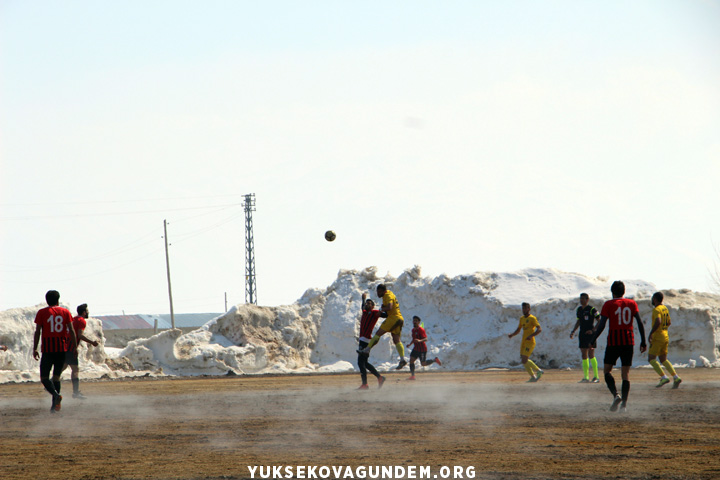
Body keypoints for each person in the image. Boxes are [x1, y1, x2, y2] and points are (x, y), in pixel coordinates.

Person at [588, 281, 647, 413]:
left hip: (614, 342)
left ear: (612, 292)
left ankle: (616, 395)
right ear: (624, 292)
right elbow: (639, 322)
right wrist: (643, 341)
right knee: (625, 374)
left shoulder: (608, 304)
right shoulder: (632, 304)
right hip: (628, 342)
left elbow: (602, 324)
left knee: (607, 371)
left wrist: (593, 339)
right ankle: (624, 406)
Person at [32, 290, 77, 413]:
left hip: (48, 349)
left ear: (47, 300)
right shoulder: (65, 312)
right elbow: (71, 331)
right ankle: (54, 407)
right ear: (58, 300)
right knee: (56, 377)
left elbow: (38, 331)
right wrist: (75, 347)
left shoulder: (42, 312)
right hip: (61, 349)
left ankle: (56, 395)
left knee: (44, 378)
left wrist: (35, 348)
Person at [358, 284, 407, 370]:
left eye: (379, 291)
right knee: (396, 340)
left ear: (383, 291)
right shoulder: (389, 295)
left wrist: (381, 310)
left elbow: (390, 307)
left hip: (393, 318)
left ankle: (367, 349)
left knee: (378, 333)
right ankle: (402, 359)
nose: (377, 293)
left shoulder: (387, 295)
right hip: (399, 318)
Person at [647, 292, 682, 389]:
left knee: (651, 358)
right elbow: (669, 322)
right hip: (665, 335)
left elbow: (658, 321)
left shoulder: (656, 310)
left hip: (658, 336)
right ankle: (676, 377)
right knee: (663, 359)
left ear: (654, 299)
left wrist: (651, 333)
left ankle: (663, 377)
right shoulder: (665, 308)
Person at [65, 303, 100, 399]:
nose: (88, 312)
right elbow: (79, 335)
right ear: (84, 312)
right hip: (71, 347)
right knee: (75, 370)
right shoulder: (81, 321)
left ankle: (50, 384)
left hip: (64, 346)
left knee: (63, 367)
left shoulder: (73, 319)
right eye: (87, 311)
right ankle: (75, 393)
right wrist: (92, 342)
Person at [508, 302, 543, 382]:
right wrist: (512, 334)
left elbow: (539, 329)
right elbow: (518, 329)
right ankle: (533, 377)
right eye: (522, 308)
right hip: (524, 341)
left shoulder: (532, 318)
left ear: (529, 309)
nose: (523, 310)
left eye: (525, 308)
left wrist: (531, 335)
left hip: (530, 342)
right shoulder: (522, 319)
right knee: (523, 360)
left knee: (524, 360)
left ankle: (538, 370)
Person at [570, 293, 601, 383]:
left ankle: (596, 377)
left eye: (583, 299)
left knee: (591, 354)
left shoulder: (592, 309)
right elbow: (578, 321)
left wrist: (593, 330)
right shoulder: (579, 310)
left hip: (590, 335)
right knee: (584, 354)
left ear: (587, 300)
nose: (581, 300)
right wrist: (573, 331)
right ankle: (586, 377)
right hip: (582, 334)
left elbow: (599, 320)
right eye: (580, 299)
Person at [356, 293, 385, 390]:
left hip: (366, 340)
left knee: (361, 363)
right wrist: (363, 299)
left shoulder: (374, 313)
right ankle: (379, 377)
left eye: (369, 303)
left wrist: (384, 310)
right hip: (362, 339)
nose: (367, 304)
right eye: (367, 303)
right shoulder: (364, 311)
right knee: (364, 363)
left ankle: (365, 384)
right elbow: (362, 306)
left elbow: (385, 315)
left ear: (373, 306)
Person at [405, 315, 441, 380]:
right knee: (411, 360)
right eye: (414, 320)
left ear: (419, 322)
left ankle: (434, 360)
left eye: (416, 321)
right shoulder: (413, 330)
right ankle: (413, 376)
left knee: (423, 364)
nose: (414, 322)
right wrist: (410, 344)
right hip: (416, 349)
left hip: (422, 349)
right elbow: (414, 339)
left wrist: (419, 340)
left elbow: (426, 339)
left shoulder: (421, 329)